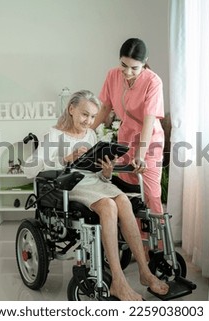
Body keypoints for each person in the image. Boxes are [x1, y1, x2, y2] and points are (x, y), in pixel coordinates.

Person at [23, 90, 168, 301]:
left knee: (124, 201)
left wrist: (106, 171)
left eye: (92, 116)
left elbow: (96, 171)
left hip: (96, 183)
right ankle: (118, 281)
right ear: (71, 109)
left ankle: (145, 273)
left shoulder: (91, 135)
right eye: (84, 114)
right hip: (71, 186)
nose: (89, 120)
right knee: (108, 206)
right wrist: (66, 159)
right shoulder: (54, 135)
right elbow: (29, 169)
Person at [91, 38, 165, 216]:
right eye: (124, 65)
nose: (128, 72)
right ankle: (134, 242)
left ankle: (157, 244)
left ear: (144, 63)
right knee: (129, 192)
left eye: (134, 68)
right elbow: (106, 108)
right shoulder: (113, 75)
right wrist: (87, 131)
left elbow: (149, 120)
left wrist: (140, 155)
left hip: (149, 140)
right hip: (126, 139)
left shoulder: (153, 82)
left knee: (151, 194)